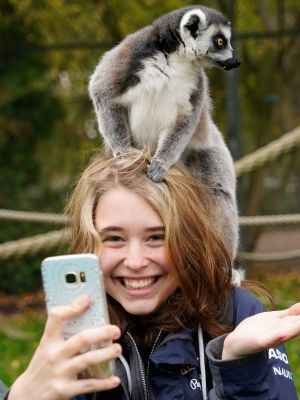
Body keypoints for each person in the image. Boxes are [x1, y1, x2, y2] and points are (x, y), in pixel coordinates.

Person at [1, 148, 299, 400]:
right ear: (88, 245)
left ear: (187, 240)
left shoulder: (235, 313)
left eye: (156, 237)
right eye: (114, 239)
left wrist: (240, 366)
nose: (135, 261)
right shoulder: (75, 333)